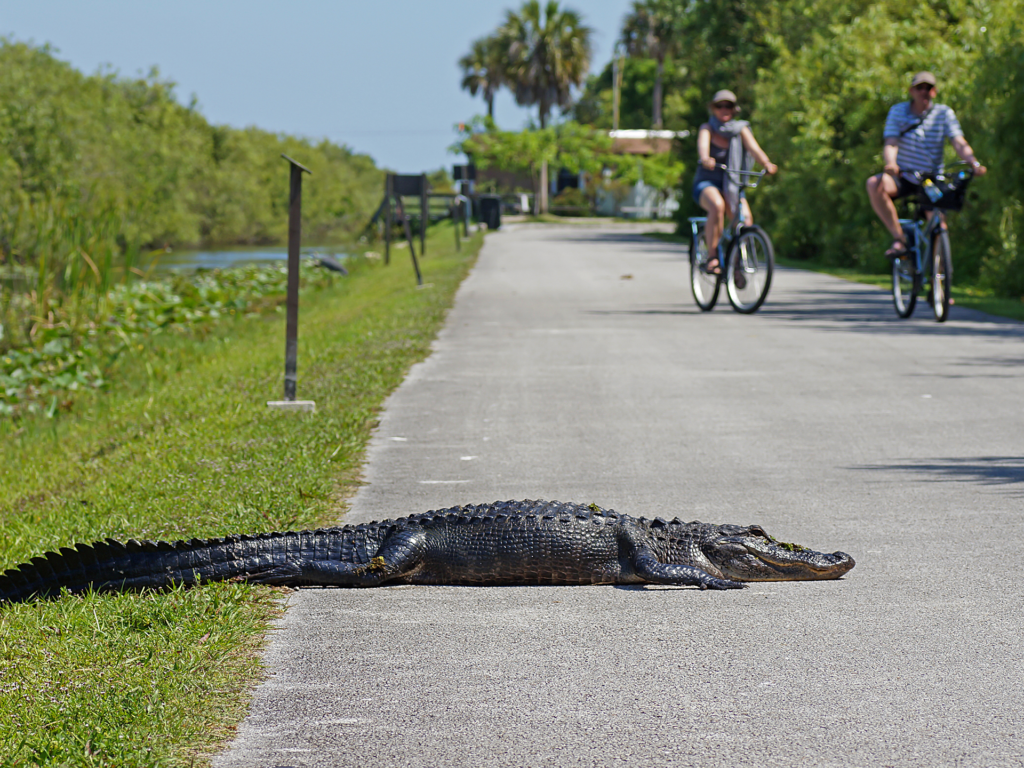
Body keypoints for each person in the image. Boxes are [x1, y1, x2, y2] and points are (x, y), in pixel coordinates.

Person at [866, 71, 986, 260]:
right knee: (874, 184)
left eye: (928, 88)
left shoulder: (944, 113)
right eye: (919, 87)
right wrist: (891, 163)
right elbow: (891, 142)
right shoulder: (898, 111)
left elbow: (959, 142)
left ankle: (938, 274)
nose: (923, 91)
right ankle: (899, 238)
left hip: (931, 180)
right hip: (904, 175)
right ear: (911, 90)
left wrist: (974, 163)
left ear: (934, 91)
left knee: (939, 226)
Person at [692, 89, 778, 274]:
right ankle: (712, 256)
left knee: (746, 220)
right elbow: (703, 145)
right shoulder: (707, 128)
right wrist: (706, 158)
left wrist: (767, 164)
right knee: (717, 205)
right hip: (708, 183)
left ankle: (737, 265)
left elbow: (754, 148)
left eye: (728, 105)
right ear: (713, 108)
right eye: (719, 105)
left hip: (732, 185)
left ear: (734, 109)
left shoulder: (740, 129)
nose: (724, 109)